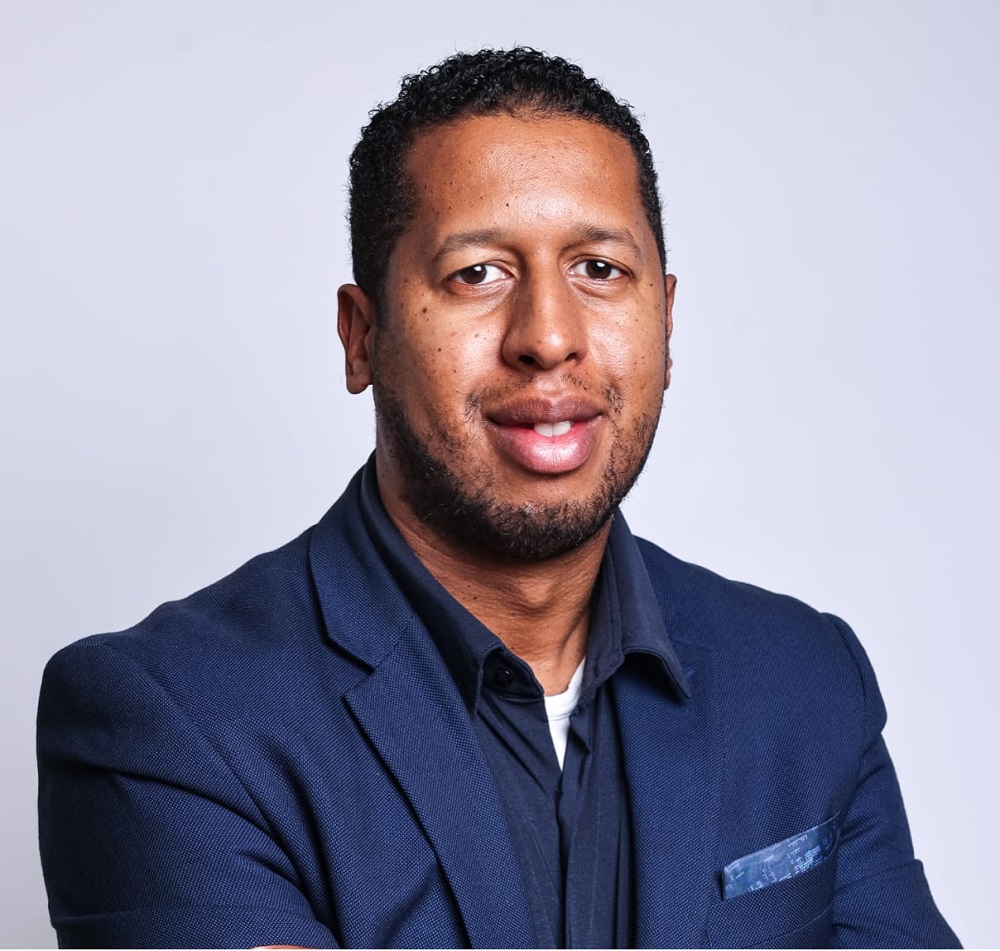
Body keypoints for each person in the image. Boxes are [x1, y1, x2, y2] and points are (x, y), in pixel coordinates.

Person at [37, 48, 959, 949]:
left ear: (667, 321)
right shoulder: (170, 722)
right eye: (478, 273)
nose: (549, 337)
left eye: (599, 269)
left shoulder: (805, 679)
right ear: (362, 337)